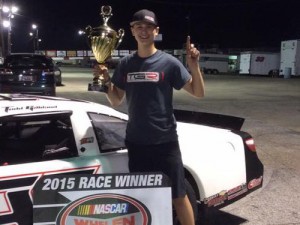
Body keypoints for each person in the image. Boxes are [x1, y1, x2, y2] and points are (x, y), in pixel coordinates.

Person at [95, 9, 204, 225]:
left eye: (148, 27)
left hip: (165, 143)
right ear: (132, 30)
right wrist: (105, 80)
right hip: (136, 143)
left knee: (178, 196)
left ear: (156, 31)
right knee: (142, 196)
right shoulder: (126, 64)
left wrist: (194, 65)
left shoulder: (169, 63)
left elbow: (198, 93)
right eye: (139, 27)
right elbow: (116, 100)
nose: (143, 31)